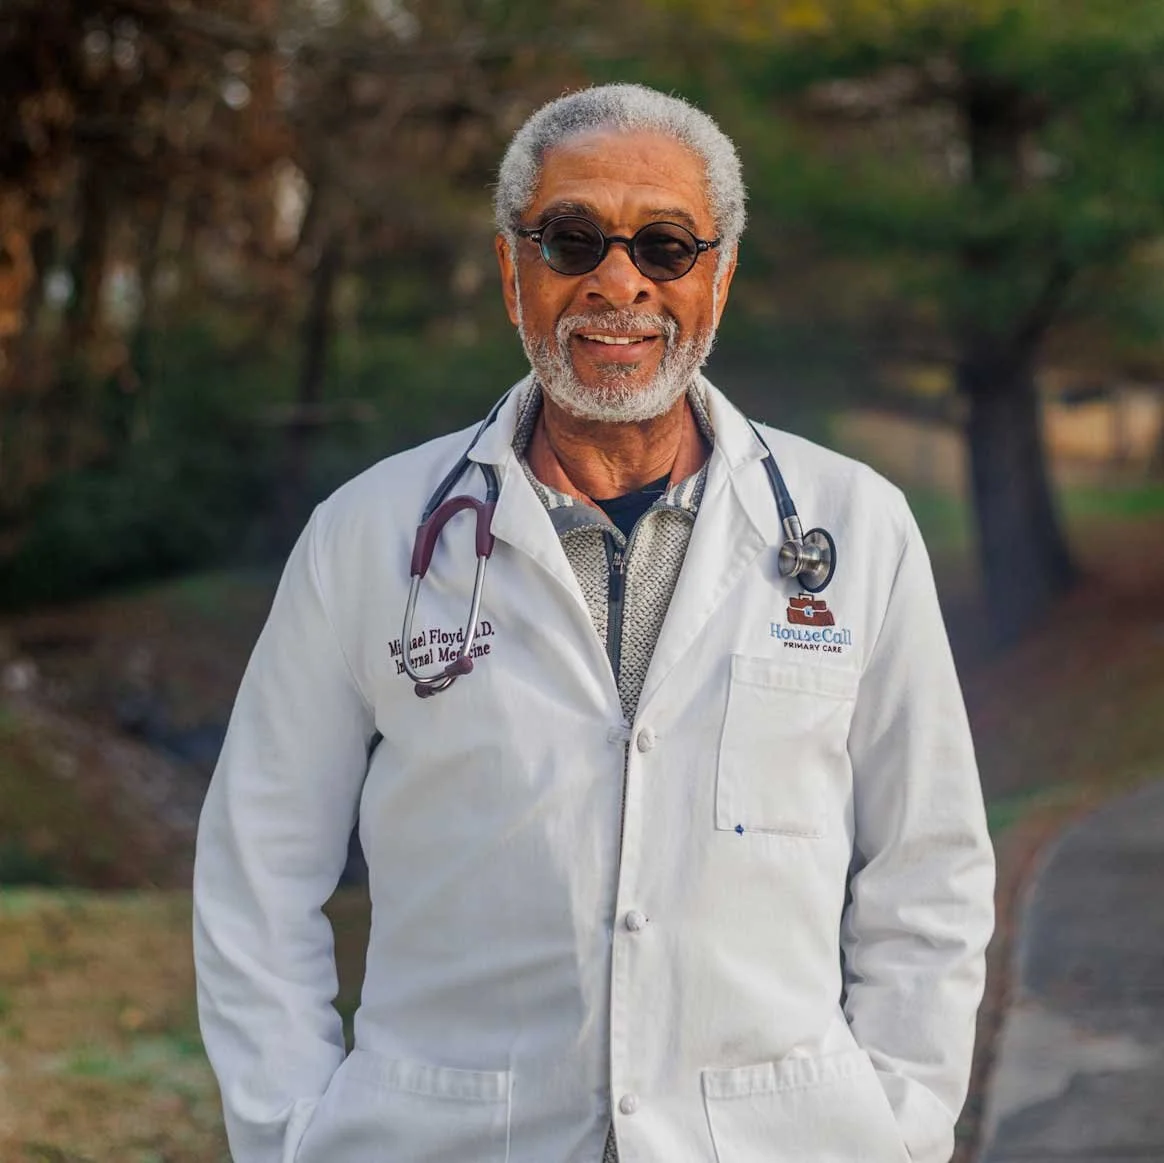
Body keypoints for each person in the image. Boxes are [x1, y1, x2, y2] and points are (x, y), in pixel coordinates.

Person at [193, 83, 995, 1163]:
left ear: (721, 273)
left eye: (666, 244)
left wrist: (897, 1128)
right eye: (572, 239)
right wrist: (292, 1131)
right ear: (509, 269)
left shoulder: (857, 528)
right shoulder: (367, 535)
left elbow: (928, 869)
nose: (619, 281)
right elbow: (259, 868)